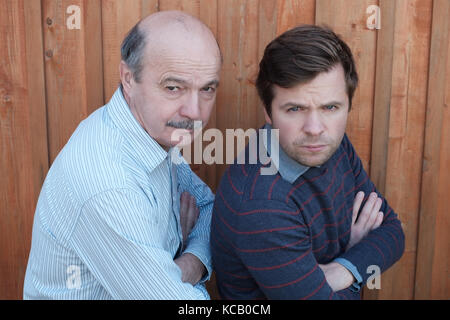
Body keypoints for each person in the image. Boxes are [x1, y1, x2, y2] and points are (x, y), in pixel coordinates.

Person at [23, 11, 222, 299]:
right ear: (129, 79)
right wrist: (175, 269)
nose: (194, 111)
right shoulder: (108, 182)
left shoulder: (152, 134)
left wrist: (188, 264)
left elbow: (208, 207)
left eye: (207, 89)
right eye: (173, 87)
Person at [211, 25, 405, 300]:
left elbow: (392, 231)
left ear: (348, 105)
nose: (315, 128)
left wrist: (343, 269)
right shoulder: (262, 205)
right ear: (268, 111)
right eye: (295, 109)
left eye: (330, 108)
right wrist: (357, 257)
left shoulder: (332, 145)